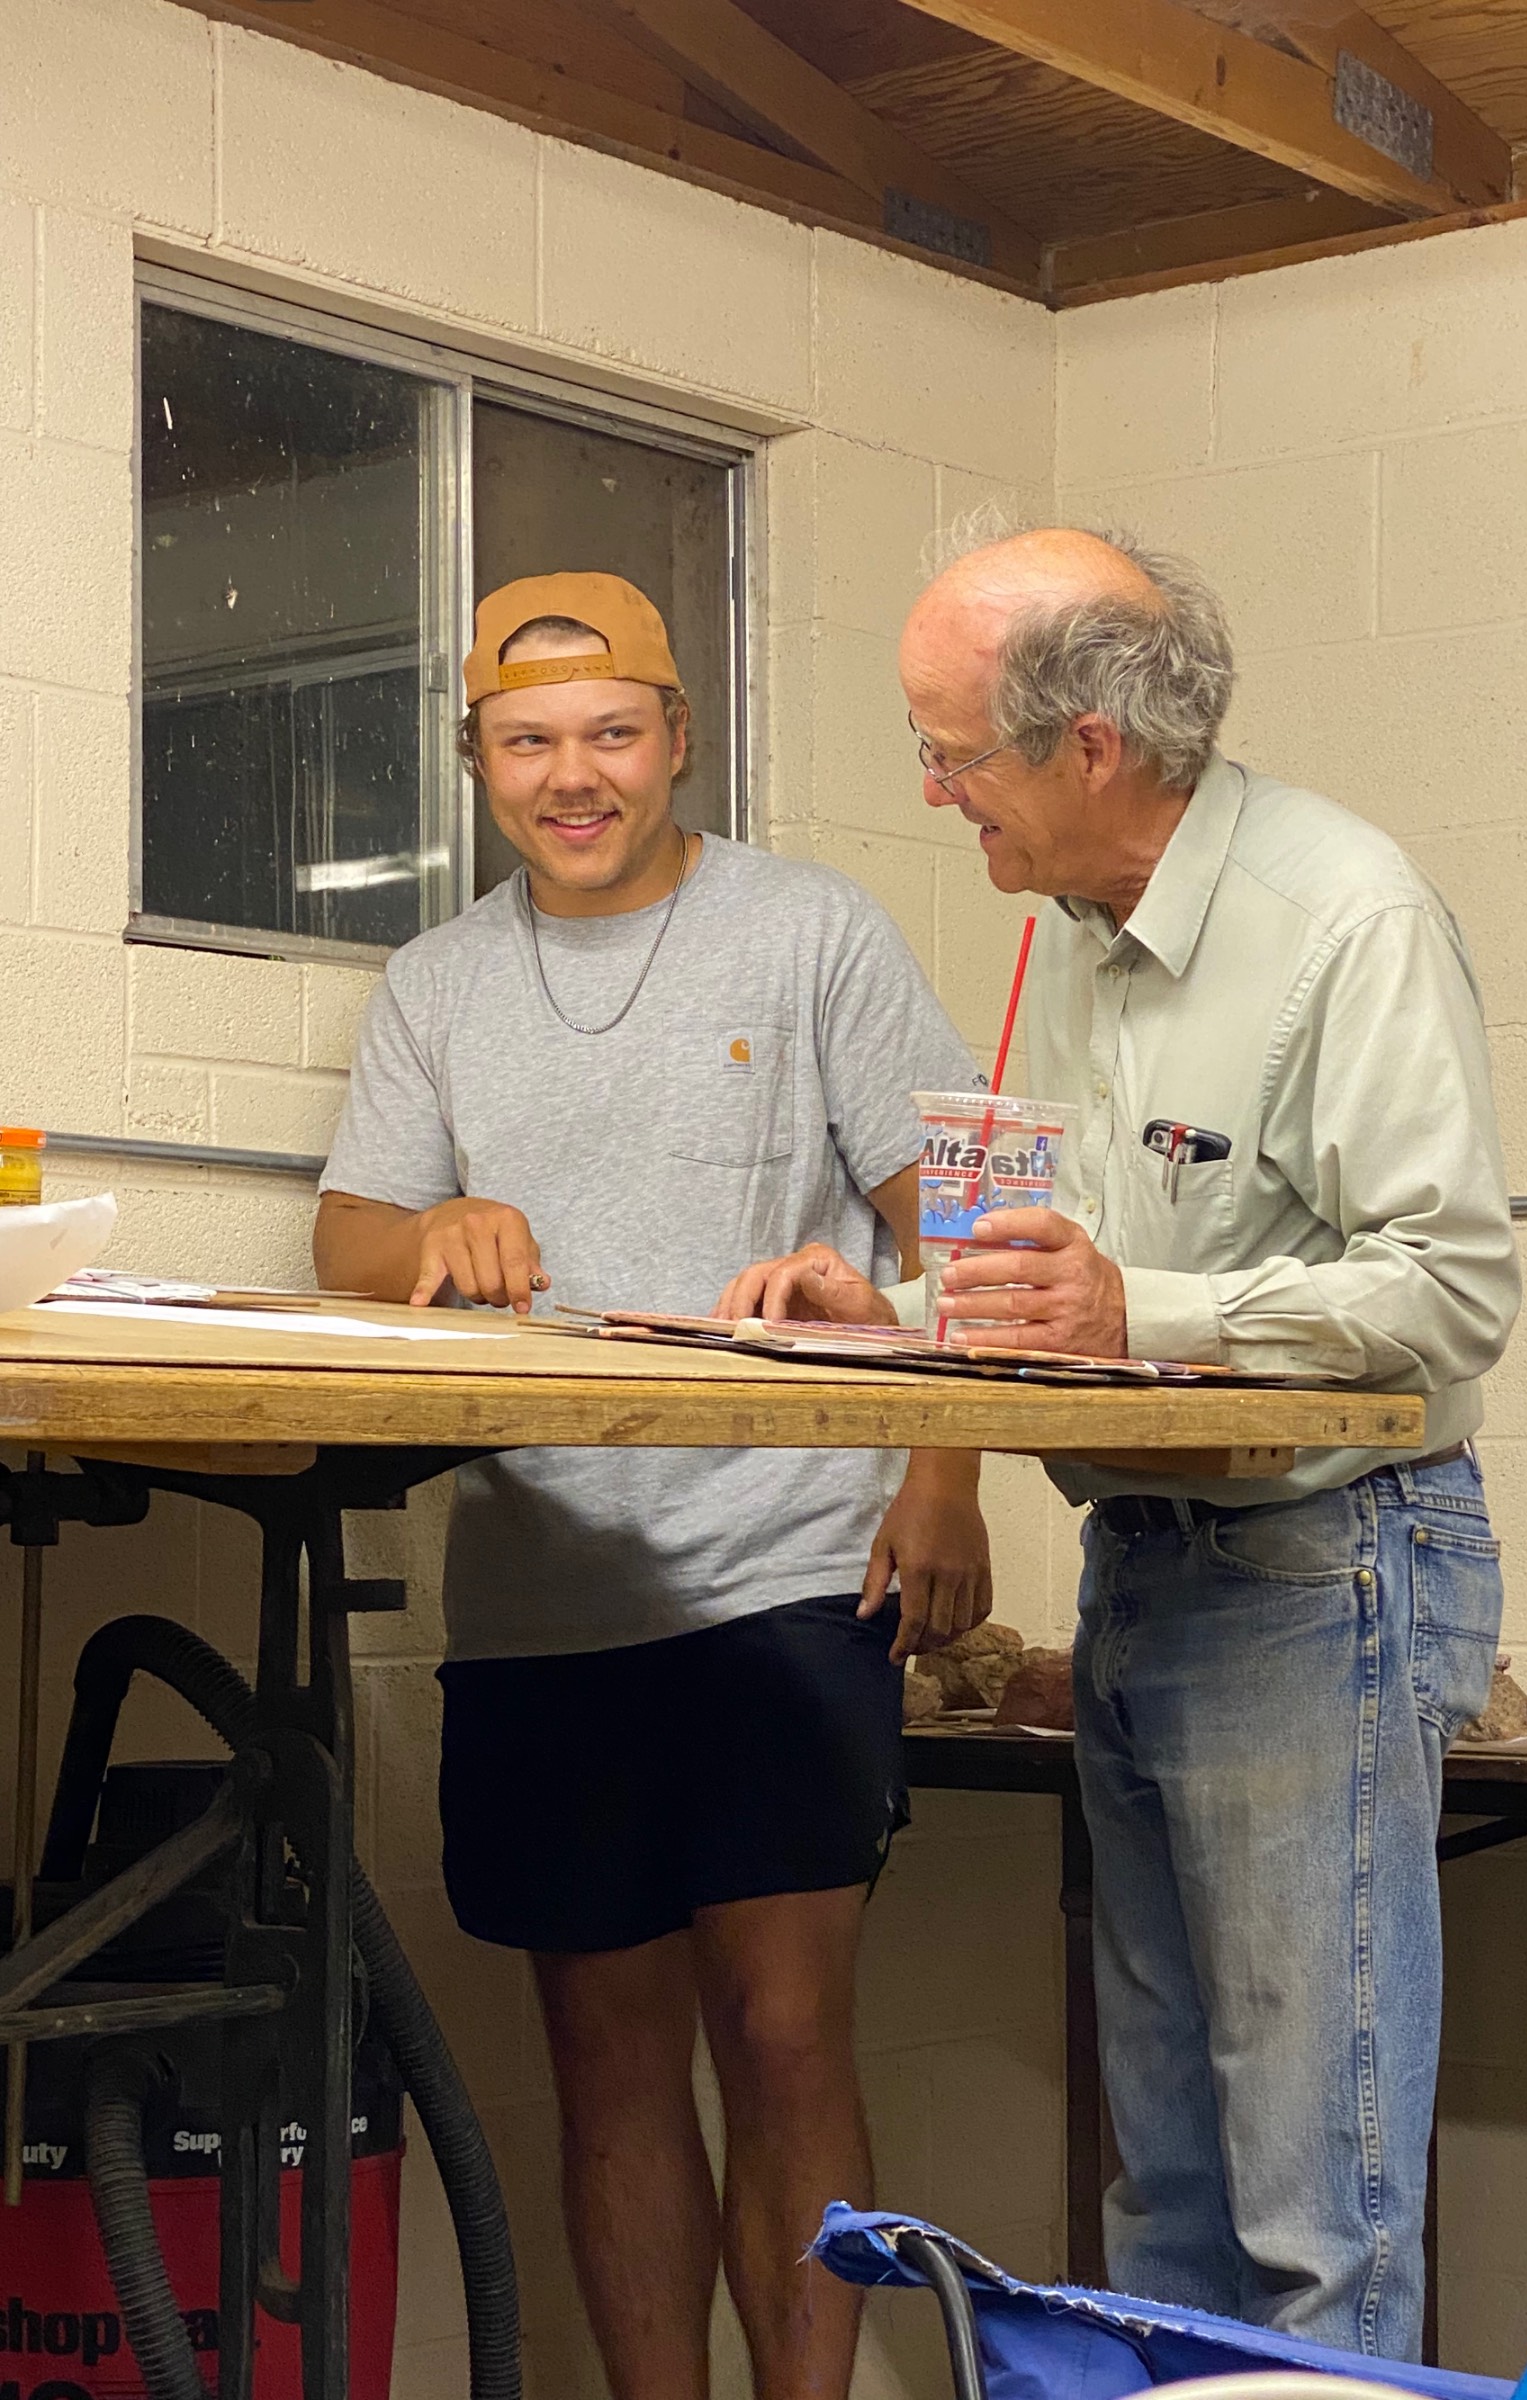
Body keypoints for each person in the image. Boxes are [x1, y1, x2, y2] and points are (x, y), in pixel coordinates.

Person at [729, 527, 1522, 2361]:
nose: (939, 797)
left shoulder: (1347, 916)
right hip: (1153, 1564)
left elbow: (1449, 1291)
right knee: (1160, 2193)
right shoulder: (1079, 942)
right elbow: (1079, 1277)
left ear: (1089, 744)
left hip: (1325, 1573)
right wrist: (908, 1314)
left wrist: (1129, 1318)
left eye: (956, 756)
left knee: (1315, 2209)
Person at [314, 571, 990, 2400]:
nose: (575, 776)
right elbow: (347, 1226)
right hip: (541, 1589)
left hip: (787, 1567)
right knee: (605, 2061)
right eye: (529, 744)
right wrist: (427, 1231)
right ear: (482, 763)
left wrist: (946, 1475)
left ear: (678, 740)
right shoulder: (438, 978)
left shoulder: (810, 931)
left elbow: (962, 1223)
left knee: (783, 2038)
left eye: (612, 733)